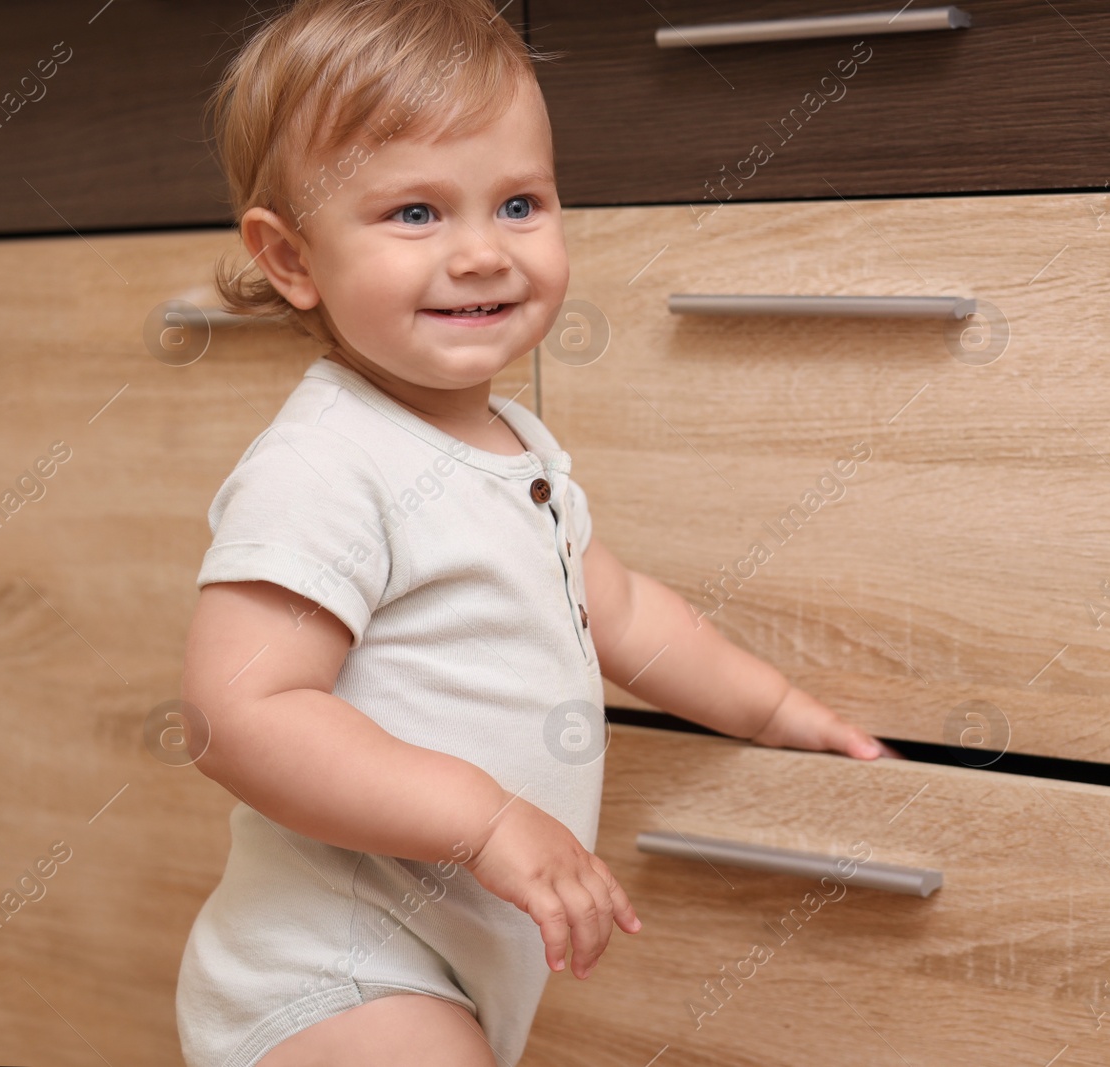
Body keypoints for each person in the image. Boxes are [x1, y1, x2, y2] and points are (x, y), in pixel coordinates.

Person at [174, 2, 894, 1064]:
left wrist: (776, 708)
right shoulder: (325, 462)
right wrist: (483, 815)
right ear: (291, 257)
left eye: (518, 203)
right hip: (331, 969)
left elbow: (623, 610)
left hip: (450, 965)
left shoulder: (516, 446)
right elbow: (236, 715)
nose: (482, 253)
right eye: (415, 213)